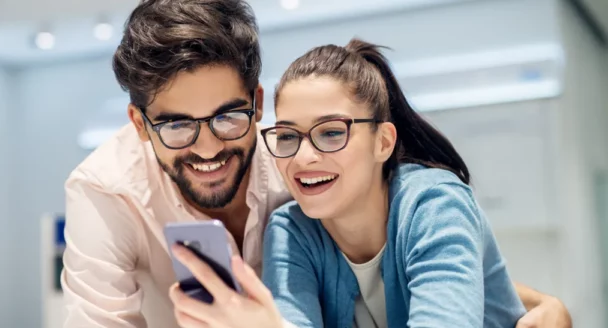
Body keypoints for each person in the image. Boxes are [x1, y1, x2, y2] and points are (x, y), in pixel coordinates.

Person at [61, 0, 571, 327]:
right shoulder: (107, 191)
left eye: (227, 117)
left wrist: (531, 302)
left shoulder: (294, 166)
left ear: (256, 105)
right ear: (139, 122)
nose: (210, 147)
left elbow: (429, 261)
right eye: (176, 125)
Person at [258, 38, 525, 327]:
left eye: (332, 132)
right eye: (287, 136)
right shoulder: (291, 230)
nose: (303, 156)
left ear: (383, 142)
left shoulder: (435, 204)